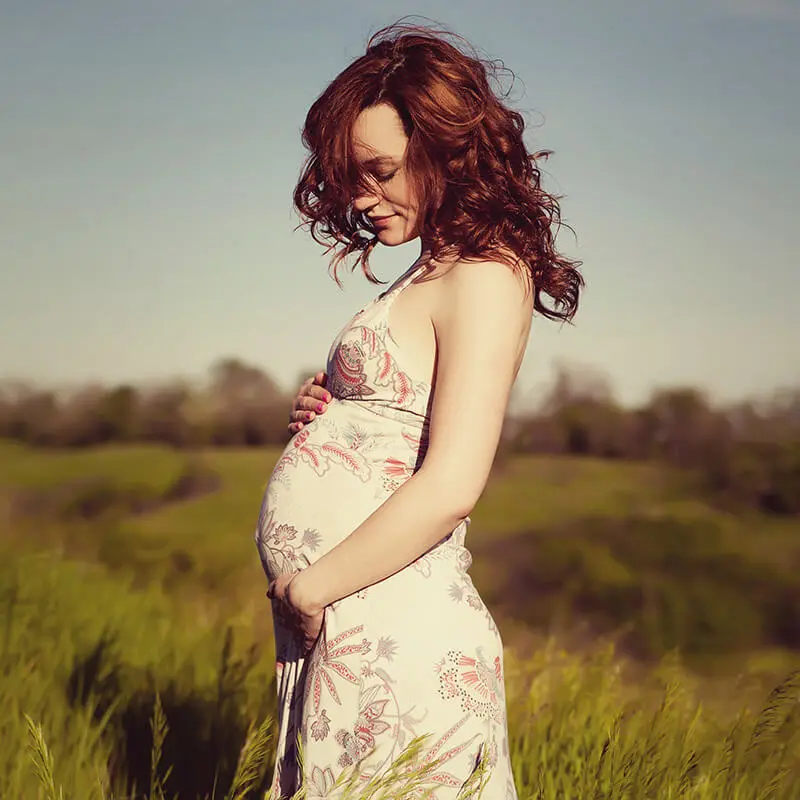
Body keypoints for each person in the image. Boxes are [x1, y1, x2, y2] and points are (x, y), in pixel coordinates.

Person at [254, 20, 582, 799]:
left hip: (392, 627)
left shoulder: (486, 274)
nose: (361, 198)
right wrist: (332, 413)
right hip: (350, 621)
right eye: (349, 176)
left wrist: (310, 587)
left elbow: (454, 482)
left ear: (446, 147)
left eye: (381, 172)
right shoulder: (428, 271)